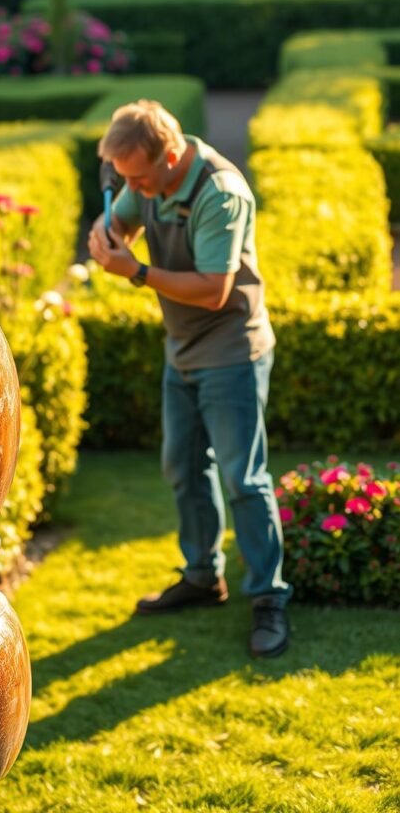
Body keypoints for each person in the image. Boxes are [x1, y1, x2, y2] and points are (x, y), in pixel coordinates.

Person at [88, 99, 291, 658]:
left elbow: (213, 289)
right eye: (122, 177)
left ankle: (269, 598)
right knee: (182, 465)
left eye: (138, 176)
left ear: (170, 155)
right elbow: (121, 221)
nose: (131, 186)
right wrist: (106, 234)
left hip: (231, 352)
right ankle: (203, 576)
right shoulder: (149, 177)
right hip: (182, 350)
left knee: (243, 479)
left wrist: (135, 272)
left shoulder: (221, 192)